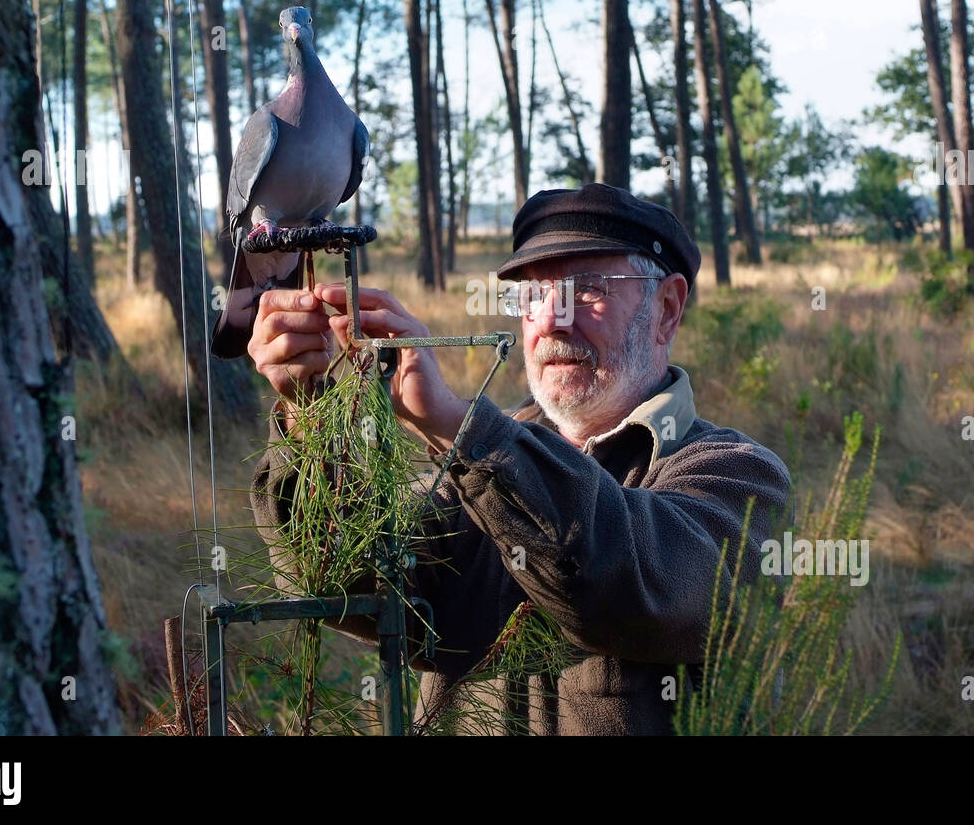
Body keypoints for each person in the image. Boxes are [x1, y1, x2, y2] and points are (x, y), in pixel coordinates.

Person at [246, 182, 792, 734]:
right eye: (533, 296)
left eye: (586, 291)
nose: (551, 320)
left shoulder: (736, 477)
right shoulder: (472, 470)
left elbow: (626, 581)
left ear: (666, 309)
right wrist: (309, 414)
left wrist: (461, 428)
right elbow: (348, 582)